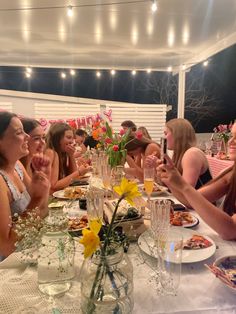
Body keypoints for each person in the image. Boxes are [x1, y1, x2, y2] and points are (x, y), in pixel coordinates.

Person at [157, 121, 236, 240]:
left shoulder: (191, 153)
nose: (230, 142)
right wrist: (170, 180)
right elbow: (189, 201)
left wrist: (182, 186)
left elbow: (231, 231)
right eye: (231, 136)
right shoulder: (232, 172)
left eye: (165, 133)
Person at [0, 112, 50, 258]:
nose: (27, 136)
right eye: (19, 132)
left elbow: (43, 212)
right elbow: (6, 248)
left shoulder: (17, 167)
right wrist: (35, 200)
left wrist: (44, 184)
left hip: (30, 250)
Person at [147, 118, 212, 188]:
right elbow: (168, 187)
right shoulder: (178, 154)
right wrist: (158, 168)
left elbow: (185, 190)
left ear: (177, 135)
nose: (164, 138)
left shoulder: (192, 154)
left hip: (204, 199)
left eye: (166, 133)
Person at [45, 122, 89, 192]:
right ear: (57, 138)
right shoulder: (51, 153)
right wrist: (79, 172)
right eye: (68, 138)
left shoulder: (62, 153)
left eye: (72, 138)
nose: (72, 141)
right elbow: (53, 186)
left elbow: (73, 179)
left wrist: (71, 155)